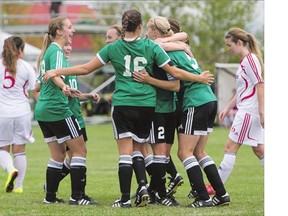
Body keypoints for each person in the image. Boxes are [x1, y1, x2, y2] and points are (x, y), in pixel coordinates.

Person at [42, 9, 214, 208]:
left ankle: (124, 199)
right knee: (141, 148)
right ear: (140, 27)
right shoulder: (150, 46)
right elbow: (174, 72)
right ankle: (148, 189)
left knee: (125, 152)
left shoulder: (113, 48)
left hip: (123, 104)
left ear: (123, 27)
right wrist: (199, 77)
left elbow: (86, 68)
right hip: (147, 105)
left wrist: (57, 71)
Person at [138, 16, 230, 208]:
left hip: (195, 101)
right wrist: (180, 45)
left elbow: (177, 77)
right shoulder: (180, 46)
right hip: (209, 99)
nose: (146, 32)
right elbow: (178, 37)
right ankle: (221, 194)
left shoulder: (162, 49)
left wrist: (196, 77)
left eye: (148, 29)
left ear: (156, 31)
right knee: (199, 151)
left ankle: (203, 197)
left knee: (184, 152)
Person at [34, 16, 96, 205]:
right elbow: (56, 74)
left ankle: (50, 198)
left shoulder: (47, 51)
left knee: (58, 155)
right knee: (80, 151)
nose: (73, 30)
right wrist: (63, 86)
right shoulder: (57, 50)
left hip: (43, 110)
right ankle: (77, 197)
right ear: (59, 31)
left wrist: (66, 89)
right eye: (70, 27)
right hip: (57, 109)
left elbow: (51, 75)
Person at [217, 27, 264, 185]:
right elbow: (242, 90)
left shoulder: (250, 59)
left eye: (229, 45)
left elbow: (260, 85)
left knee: (230, 148)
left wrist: (262, 112)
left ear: (239, 42)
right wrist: (227, 108)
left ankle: (217, 189)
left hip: (248, 112)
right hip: (248, 111)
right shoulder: (245, 61)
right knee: (259, 150)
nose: (228, 48)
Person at [0, 36, 36, 194]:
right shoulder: (27, 67)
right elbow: (35, 89)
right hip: (22, 112)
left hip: (2, 112)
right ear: (20, 50)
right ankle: (19, 186)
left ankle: (10, 169)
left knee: (2, 148)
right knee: (20, 150)